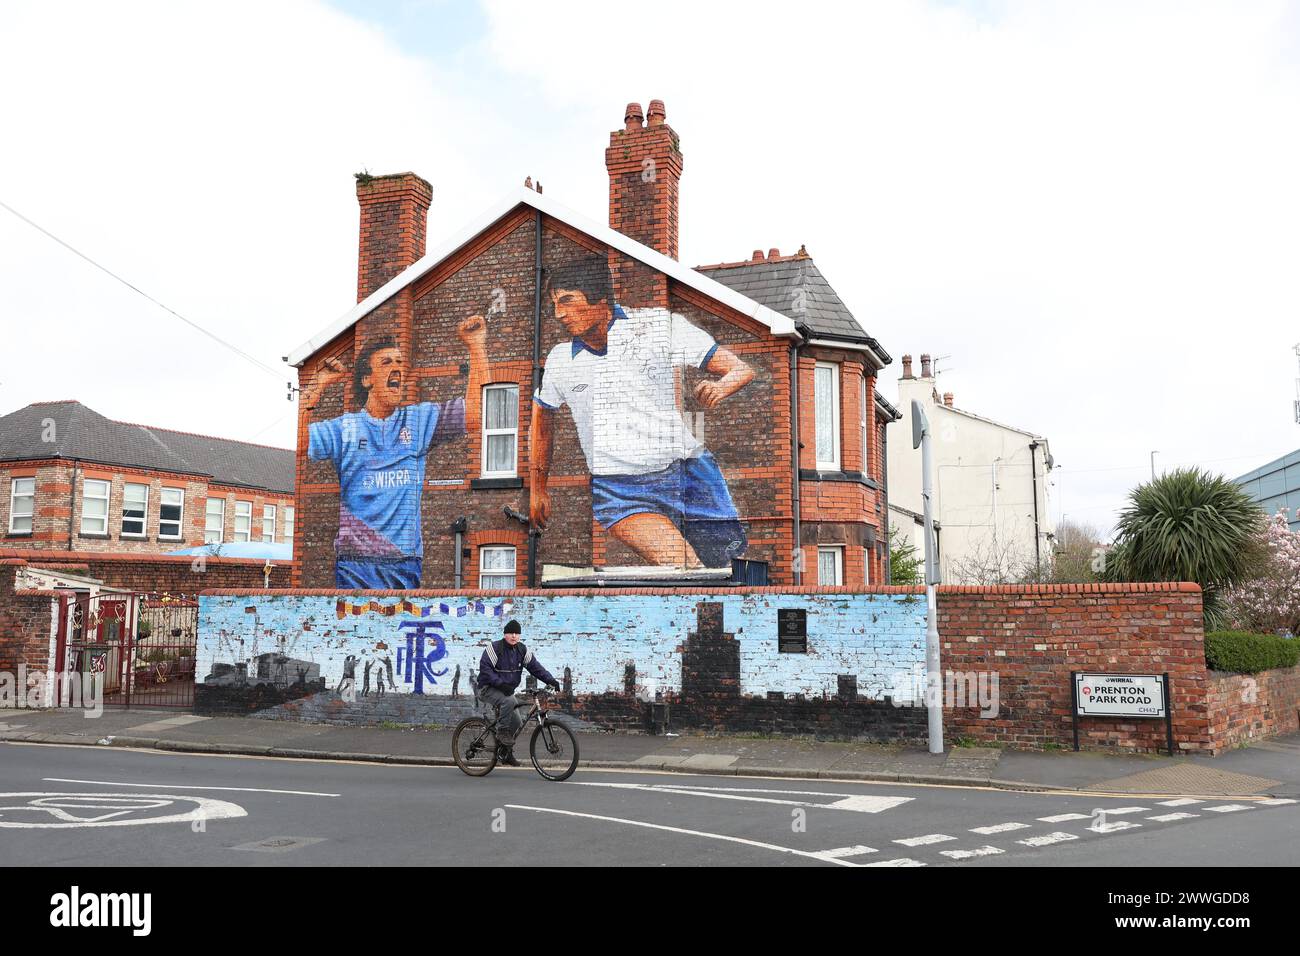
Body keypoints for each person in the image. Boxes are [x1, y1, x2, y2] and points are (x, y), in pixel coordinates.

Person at [529, 261, 754, 568]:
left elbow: (740, 368)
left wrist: (724, 385)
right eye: (555, 305)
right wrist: (538, 488)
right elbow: (542, 421)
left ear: (600, 300)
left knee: (727, 572)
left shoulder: (657, 328)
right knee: (685, 569)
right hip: (620, 490)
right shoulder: (560, 361)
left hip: (690, 475)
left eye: (568, 301)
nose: (559, 314)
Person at [302, 316, 488, 588]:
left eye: (400, 362)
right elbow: (302, 443)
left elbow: (475, 415)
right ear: (367, 379)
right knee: (356, 630)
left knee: (399, 630)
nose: (397, 368)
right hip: (355, 562)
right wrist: (316, 387)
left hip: (404, 561)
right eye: (387, 362)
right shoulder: (346, 428)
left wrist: (476, 346)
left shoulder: (419, 419)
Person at [477, 619, 559, 766]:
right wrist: (501, 684)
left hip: (505, 691)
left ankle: (505, 752)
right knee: (508, 701)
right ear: (505, 634)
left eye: (517, 633)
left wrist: (551, 680)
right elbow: (486, 669)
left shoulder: (522, 650)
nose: (514, 636)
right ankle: (502, 731)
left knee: (517, 721)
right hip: (487, 688)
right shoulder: (495, 648)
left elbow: (535, 668)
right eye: (510, 633)